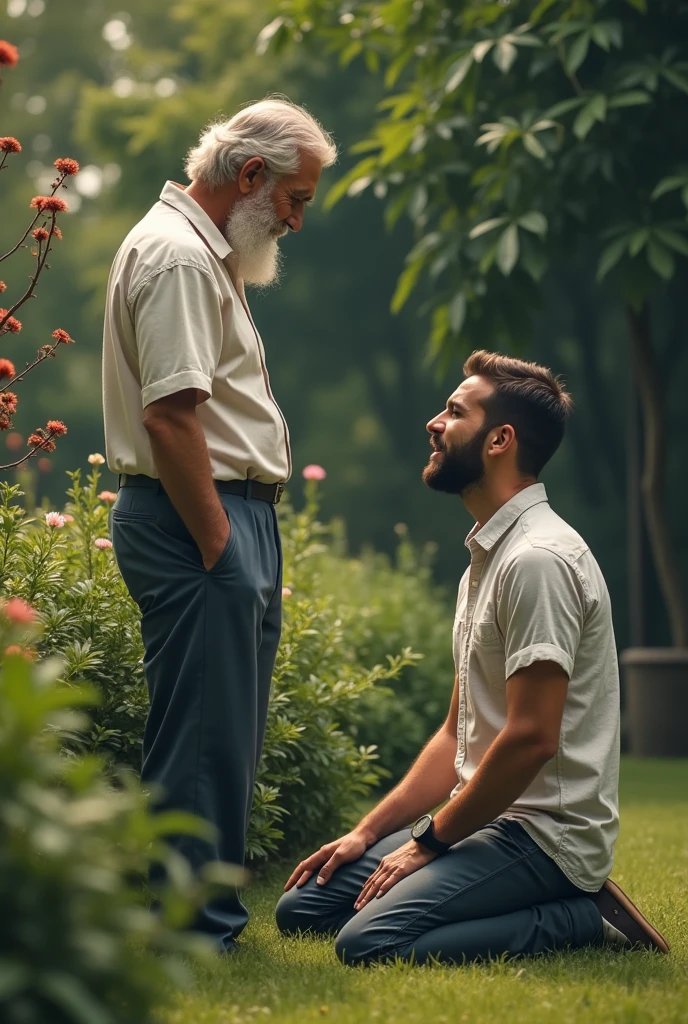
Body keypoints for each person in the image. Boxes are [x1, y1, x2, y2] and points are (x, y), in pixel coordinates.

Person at [276, 350, 669, 965]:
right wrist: (368, 833)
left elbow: (532, 738)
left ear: (500, 440)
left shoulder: (538, 561)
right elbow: (456, 736)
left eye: (455, 411)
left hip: (542, 839)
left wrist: (428, 844)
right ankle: (494, 890)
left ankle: (577, 917)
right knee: (305, 906)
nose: (435, 422)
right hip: (482, 820)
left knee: (369, 942)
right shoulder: (486, 562)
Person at [102, 98, 337, 952]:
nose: (295, 219)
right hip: (197, 517)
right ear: (250, 176)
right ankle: (193, 931)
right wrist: (220, 544)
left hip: (223, 515)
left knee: (221, 731)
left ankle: (201, 920)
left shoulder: (203, 254)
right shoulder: (177, 259)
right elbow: (171, 418)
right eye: (295, 199)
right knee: (205, 734)